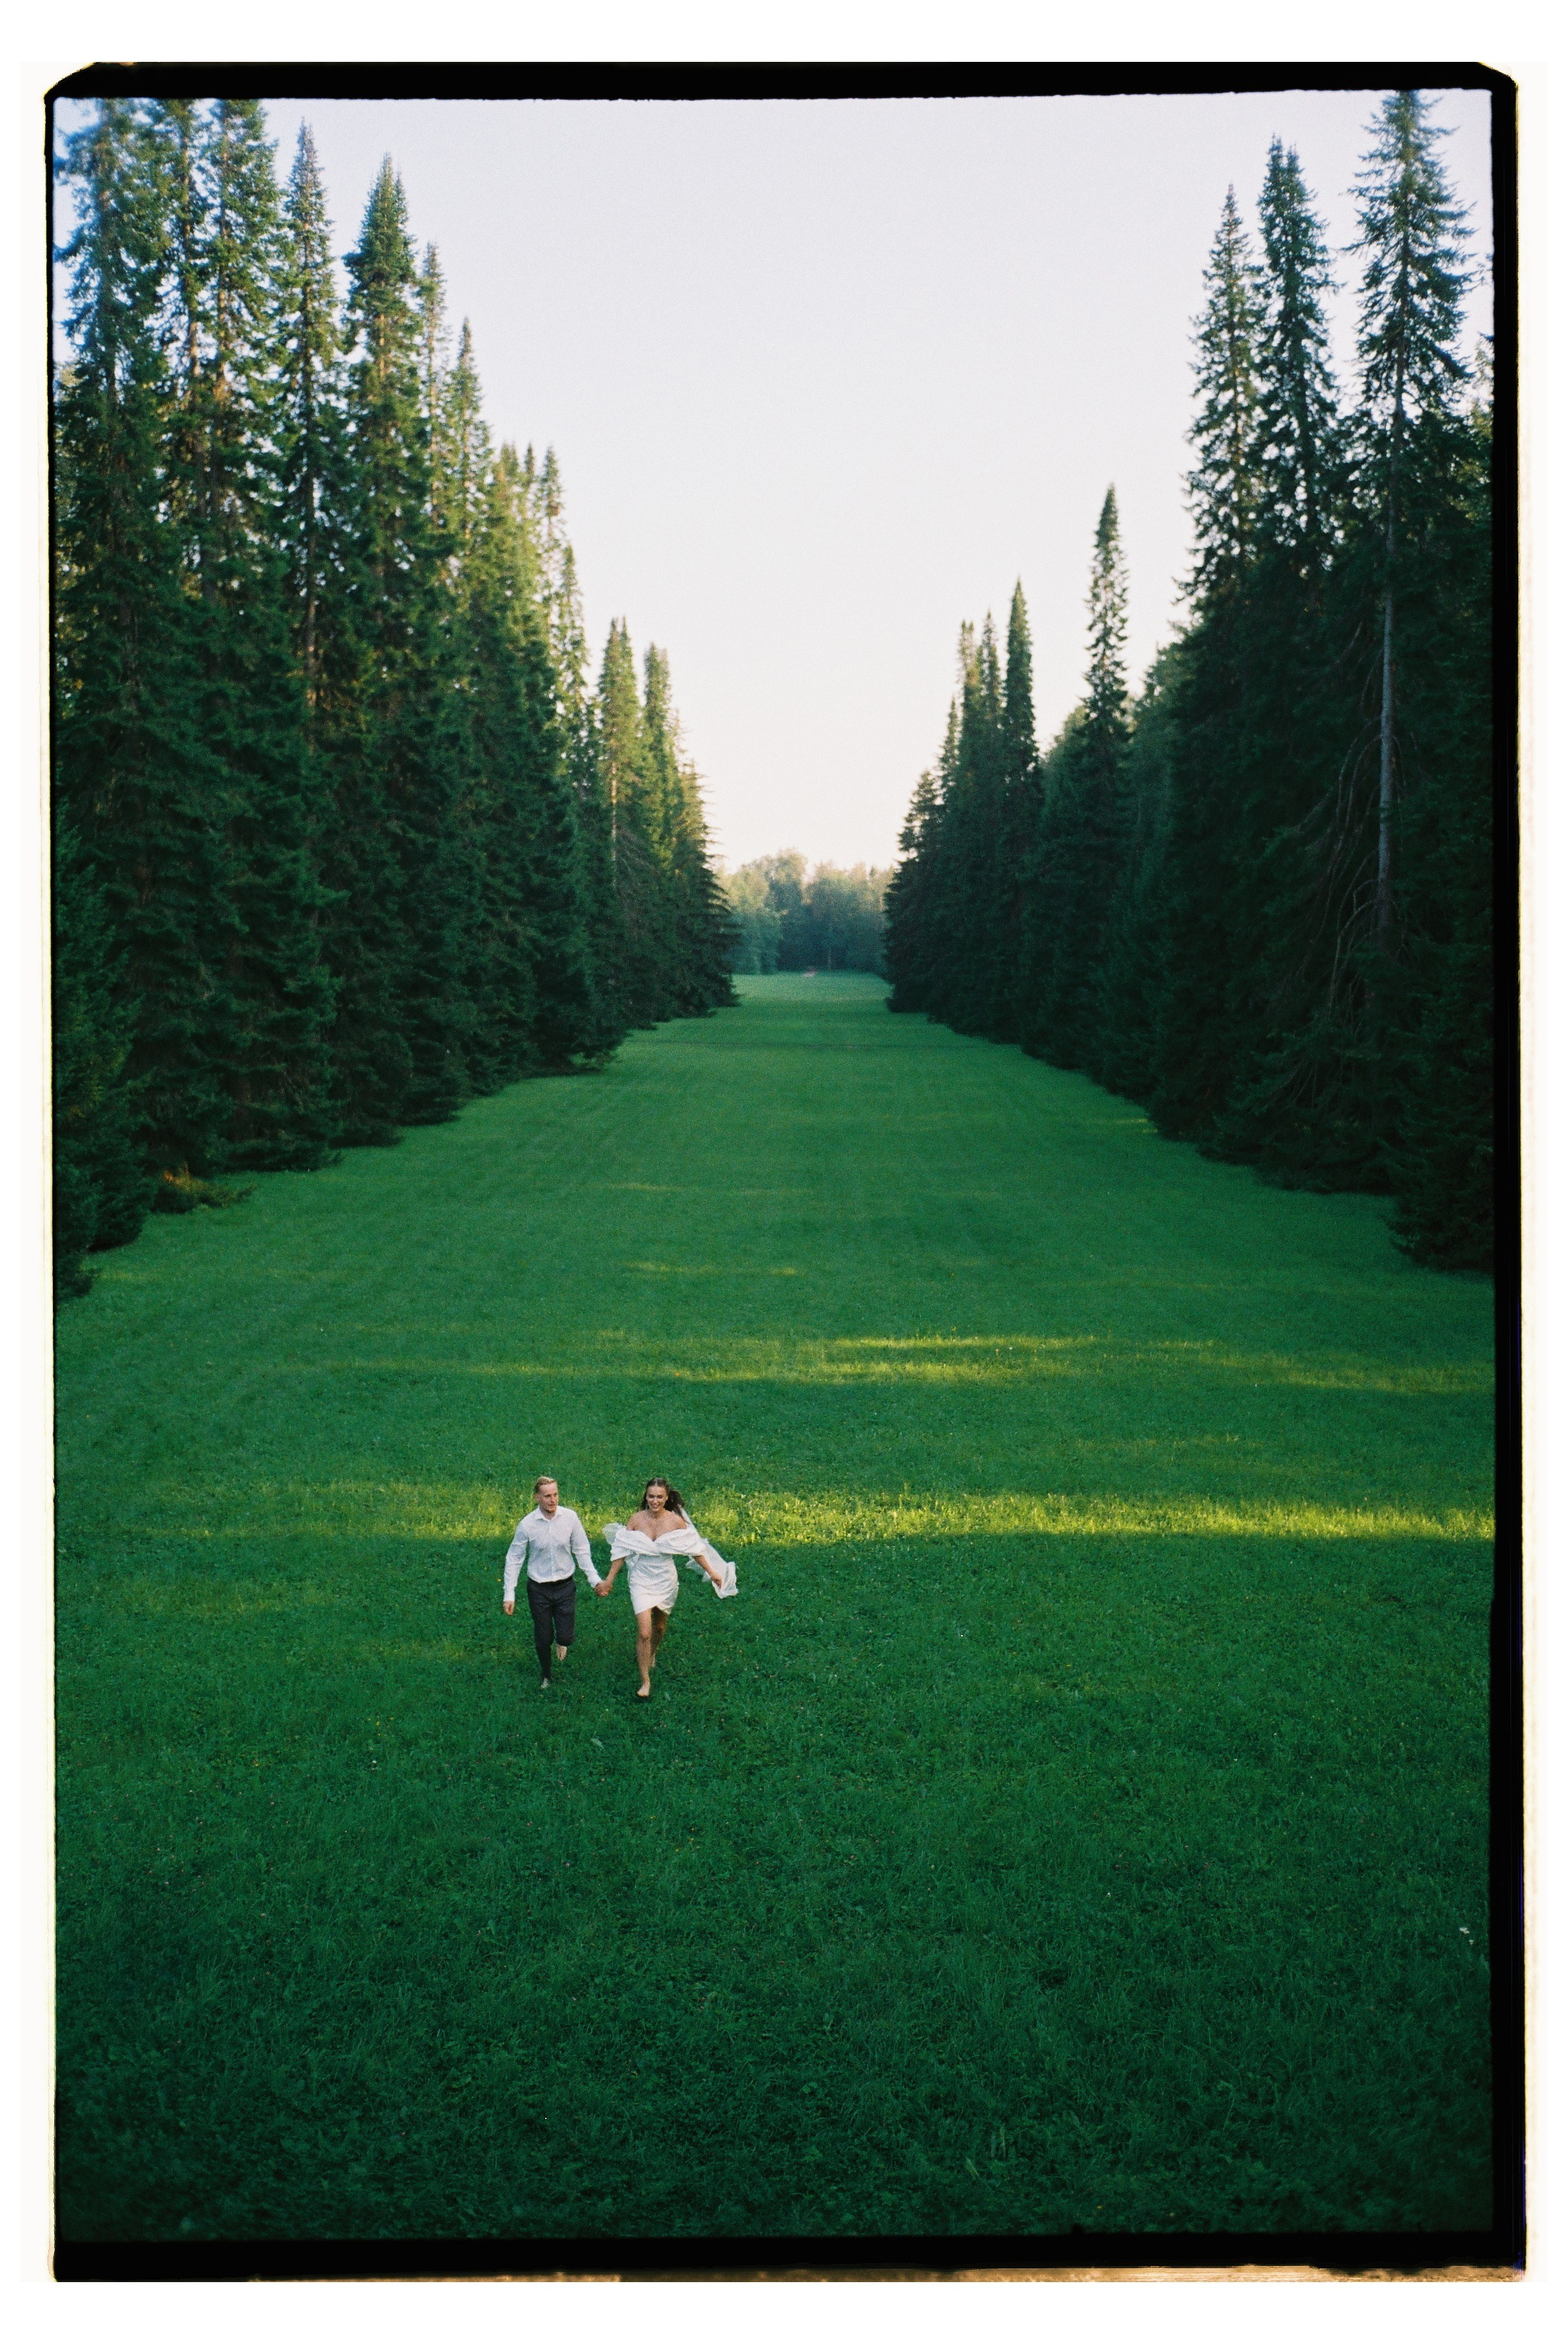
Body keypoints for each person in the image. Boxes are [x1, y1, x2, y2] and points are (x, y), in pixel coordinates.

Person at [597, 1478, 733, 1700]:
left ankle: (652, 1653)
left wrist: (712, 1572)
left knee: (659, 1627)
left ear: (667, 1498)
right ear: (646, 1497)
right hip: (641, 1580)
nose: (655, 1501)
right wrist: (609, 1580)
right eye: (651, 1496)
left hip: (665, 1580)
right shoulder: (636, 1520)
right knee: (644, 1632)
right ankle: (645, 1681)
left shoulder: (676, 1522)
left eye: (660, 1497)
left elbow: (695, 1549)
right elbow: (621, 1551)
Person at [502, 1476, 603, 1690]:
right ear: (537, 1497)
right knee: (543, 1637)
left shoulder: (570, 1518)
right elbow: (514, 1558)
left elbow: (582, 1551)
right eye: (547, 1496)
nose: (552, 1500)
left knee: (566, 1637)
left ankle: (562, 1643)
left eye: (555, 1494)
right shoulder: (527, 1524)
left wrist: (594, 1580)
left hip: (565, 1587)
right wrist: (509, 1593)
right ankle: (546, 1675)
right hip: (539, 1589)